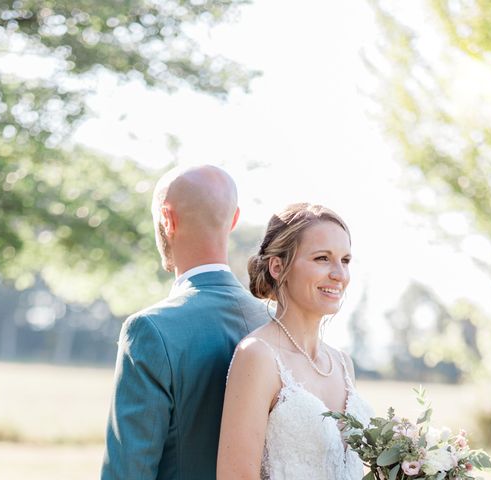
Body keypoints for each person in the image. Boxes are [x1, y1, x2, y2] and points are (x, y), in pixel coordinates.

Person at [101, 165, 269, 480]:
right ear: (234, 220)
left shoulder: (150, 330)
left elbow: (128, 472)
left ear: (167, 219)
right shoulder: (276, 324)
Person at [217, 203, 373, 480]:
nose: (339, 274)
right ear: (278, 267)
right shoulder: (259, 356)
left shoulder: (342, 364)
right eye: (322, 258)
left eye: (345, 260)